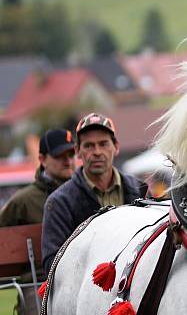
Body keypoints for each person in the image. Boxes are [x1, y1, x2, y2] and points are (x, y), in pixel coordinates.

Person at [42, 113, 148, 273]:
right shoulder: (59, 202)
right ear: (77, 151)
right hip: (85, 291)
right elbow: (52, 263)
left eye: (103, 144)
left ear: (116, 147)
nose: (97, 152)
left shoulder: (140, 190)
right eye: (89, 146)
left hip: (134, 282)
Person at [0, 129, 76, 227]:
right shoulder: (22, 202)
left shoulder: (86, 192)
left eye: (71, 155)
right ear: (42, 160)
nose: (68, 162)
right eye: (60, 156)